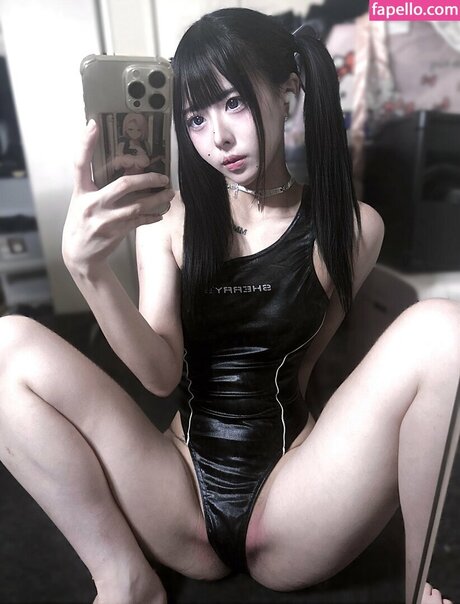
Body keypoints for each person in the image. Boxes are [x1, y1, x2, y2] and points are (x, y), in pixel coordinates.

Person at [0, 8, 458, 604]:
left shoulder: (352, 228)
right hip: (181, 490)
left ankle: (421, 586)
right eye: (195, 117)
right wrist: (88, 271)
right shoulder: (169, 218)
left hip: (290, 498)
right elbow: (160, 374)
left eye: (234, 103)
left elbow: (304, 364)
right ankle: (122, 577)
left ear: (286, 94)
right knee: (7, 345)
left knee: (443, 327)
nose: (217, 138)